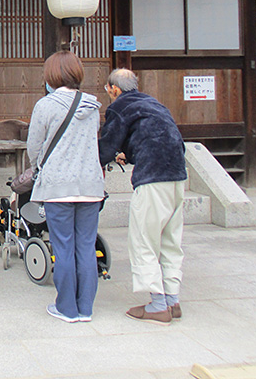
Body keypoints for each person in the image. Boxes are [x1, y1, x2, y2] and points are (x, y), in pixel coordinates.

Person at [99, 68, 186, 325]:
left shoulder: (119, 107)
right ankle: (172, 300)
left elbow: (106, 146)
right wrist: (128, 154)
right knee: (170, 240)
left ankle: (158, 305)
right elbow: (156, 138)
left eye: (107, 89)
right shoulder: (153, 103)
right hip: (177, 175)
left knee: (143, 241)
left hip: (152, 178)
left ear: (114, 89)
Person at [26, 51, 105, 323]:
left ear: (51, 76)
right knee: (86, 247)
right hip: (90, 185)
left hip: (58, 186)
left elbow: (34, 147)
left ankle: (67, 308)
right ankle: (86, 308)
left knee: (63, 247)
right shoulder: (92, 106)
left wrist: (38, 168)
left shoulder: (45, 106)